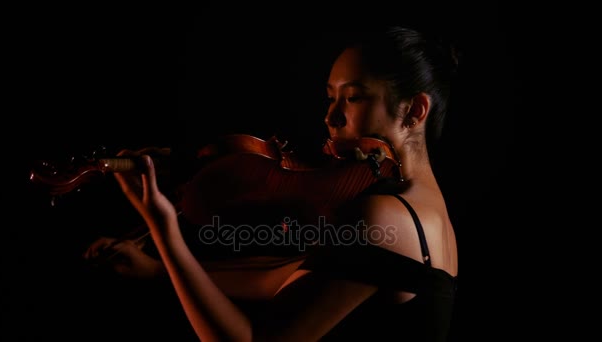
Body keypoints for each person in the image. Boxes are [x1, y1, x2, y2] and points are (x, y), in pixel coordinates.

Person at [83, 25, 459, 341]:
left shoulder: (384, 215)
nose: (332, 118)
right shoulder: (425, 210)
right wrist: (159, 268)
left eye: (354, 98)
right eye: (330, 98)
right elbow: (280, 276)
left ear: (414, 110)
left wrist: (163, 227)